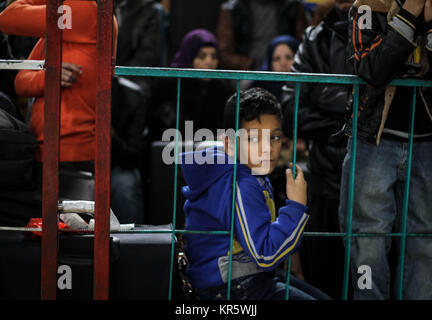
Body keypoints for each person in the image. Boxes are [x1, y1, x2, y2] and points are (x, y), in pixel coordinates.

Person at [180, 87, 330, 300]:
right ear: (229, 144)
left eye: (275, 137)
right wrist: (296, 206)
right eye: (253, 139)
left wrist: (290, 254)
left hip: (250, 277)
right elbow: (264, 254)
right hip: (232, 289)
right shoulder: (241, 183)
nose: (267, 148)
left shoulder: (250, 169)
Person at [338, 0, 432, 299]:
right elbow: (373, 69)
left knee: (426, 241)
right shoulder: (367, 6)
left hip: (428, 141)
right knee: (368, 241)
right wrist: (410, 14)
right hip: (374, 141)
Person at [281, 0, 354, 299]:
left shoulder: (387, 34)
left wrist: (323, 95)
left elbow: (379, 105)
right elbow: (291, 111)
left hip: (381, 177)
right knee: (326, 280)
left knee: (370, 280)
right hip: (326, 179)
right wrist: (347, 115)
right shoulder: (315, 38)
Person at [110, 0, 164, 224]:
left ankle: (135, 247)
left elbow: (131, 154)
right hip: (78, 162)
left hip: (117, 161)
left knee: (124, 184)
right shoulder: (86, 7)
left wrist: (108, 134)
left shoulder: (134, 98)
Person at [149, 28, 233, 142]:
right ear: (189, 55)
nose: (209, 62)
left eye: (214, 56)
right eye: (202, 56)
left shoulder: (221, 88)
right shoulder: (169, 84)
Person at [215, 0, 308, 71]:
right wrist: (253, 64)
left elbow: (304, 48)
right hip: (249, 71)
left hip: (287, 67)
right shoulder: (233, 9)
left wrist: (288, 61)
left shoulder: (292, 6)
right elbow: (225, 55)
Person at [250, 34, 299, 101]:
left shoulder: (305, 87)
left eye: (288, 57)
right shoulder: (258, 87)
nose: (283, 63)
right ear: (270, 62)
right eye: (277, 59)